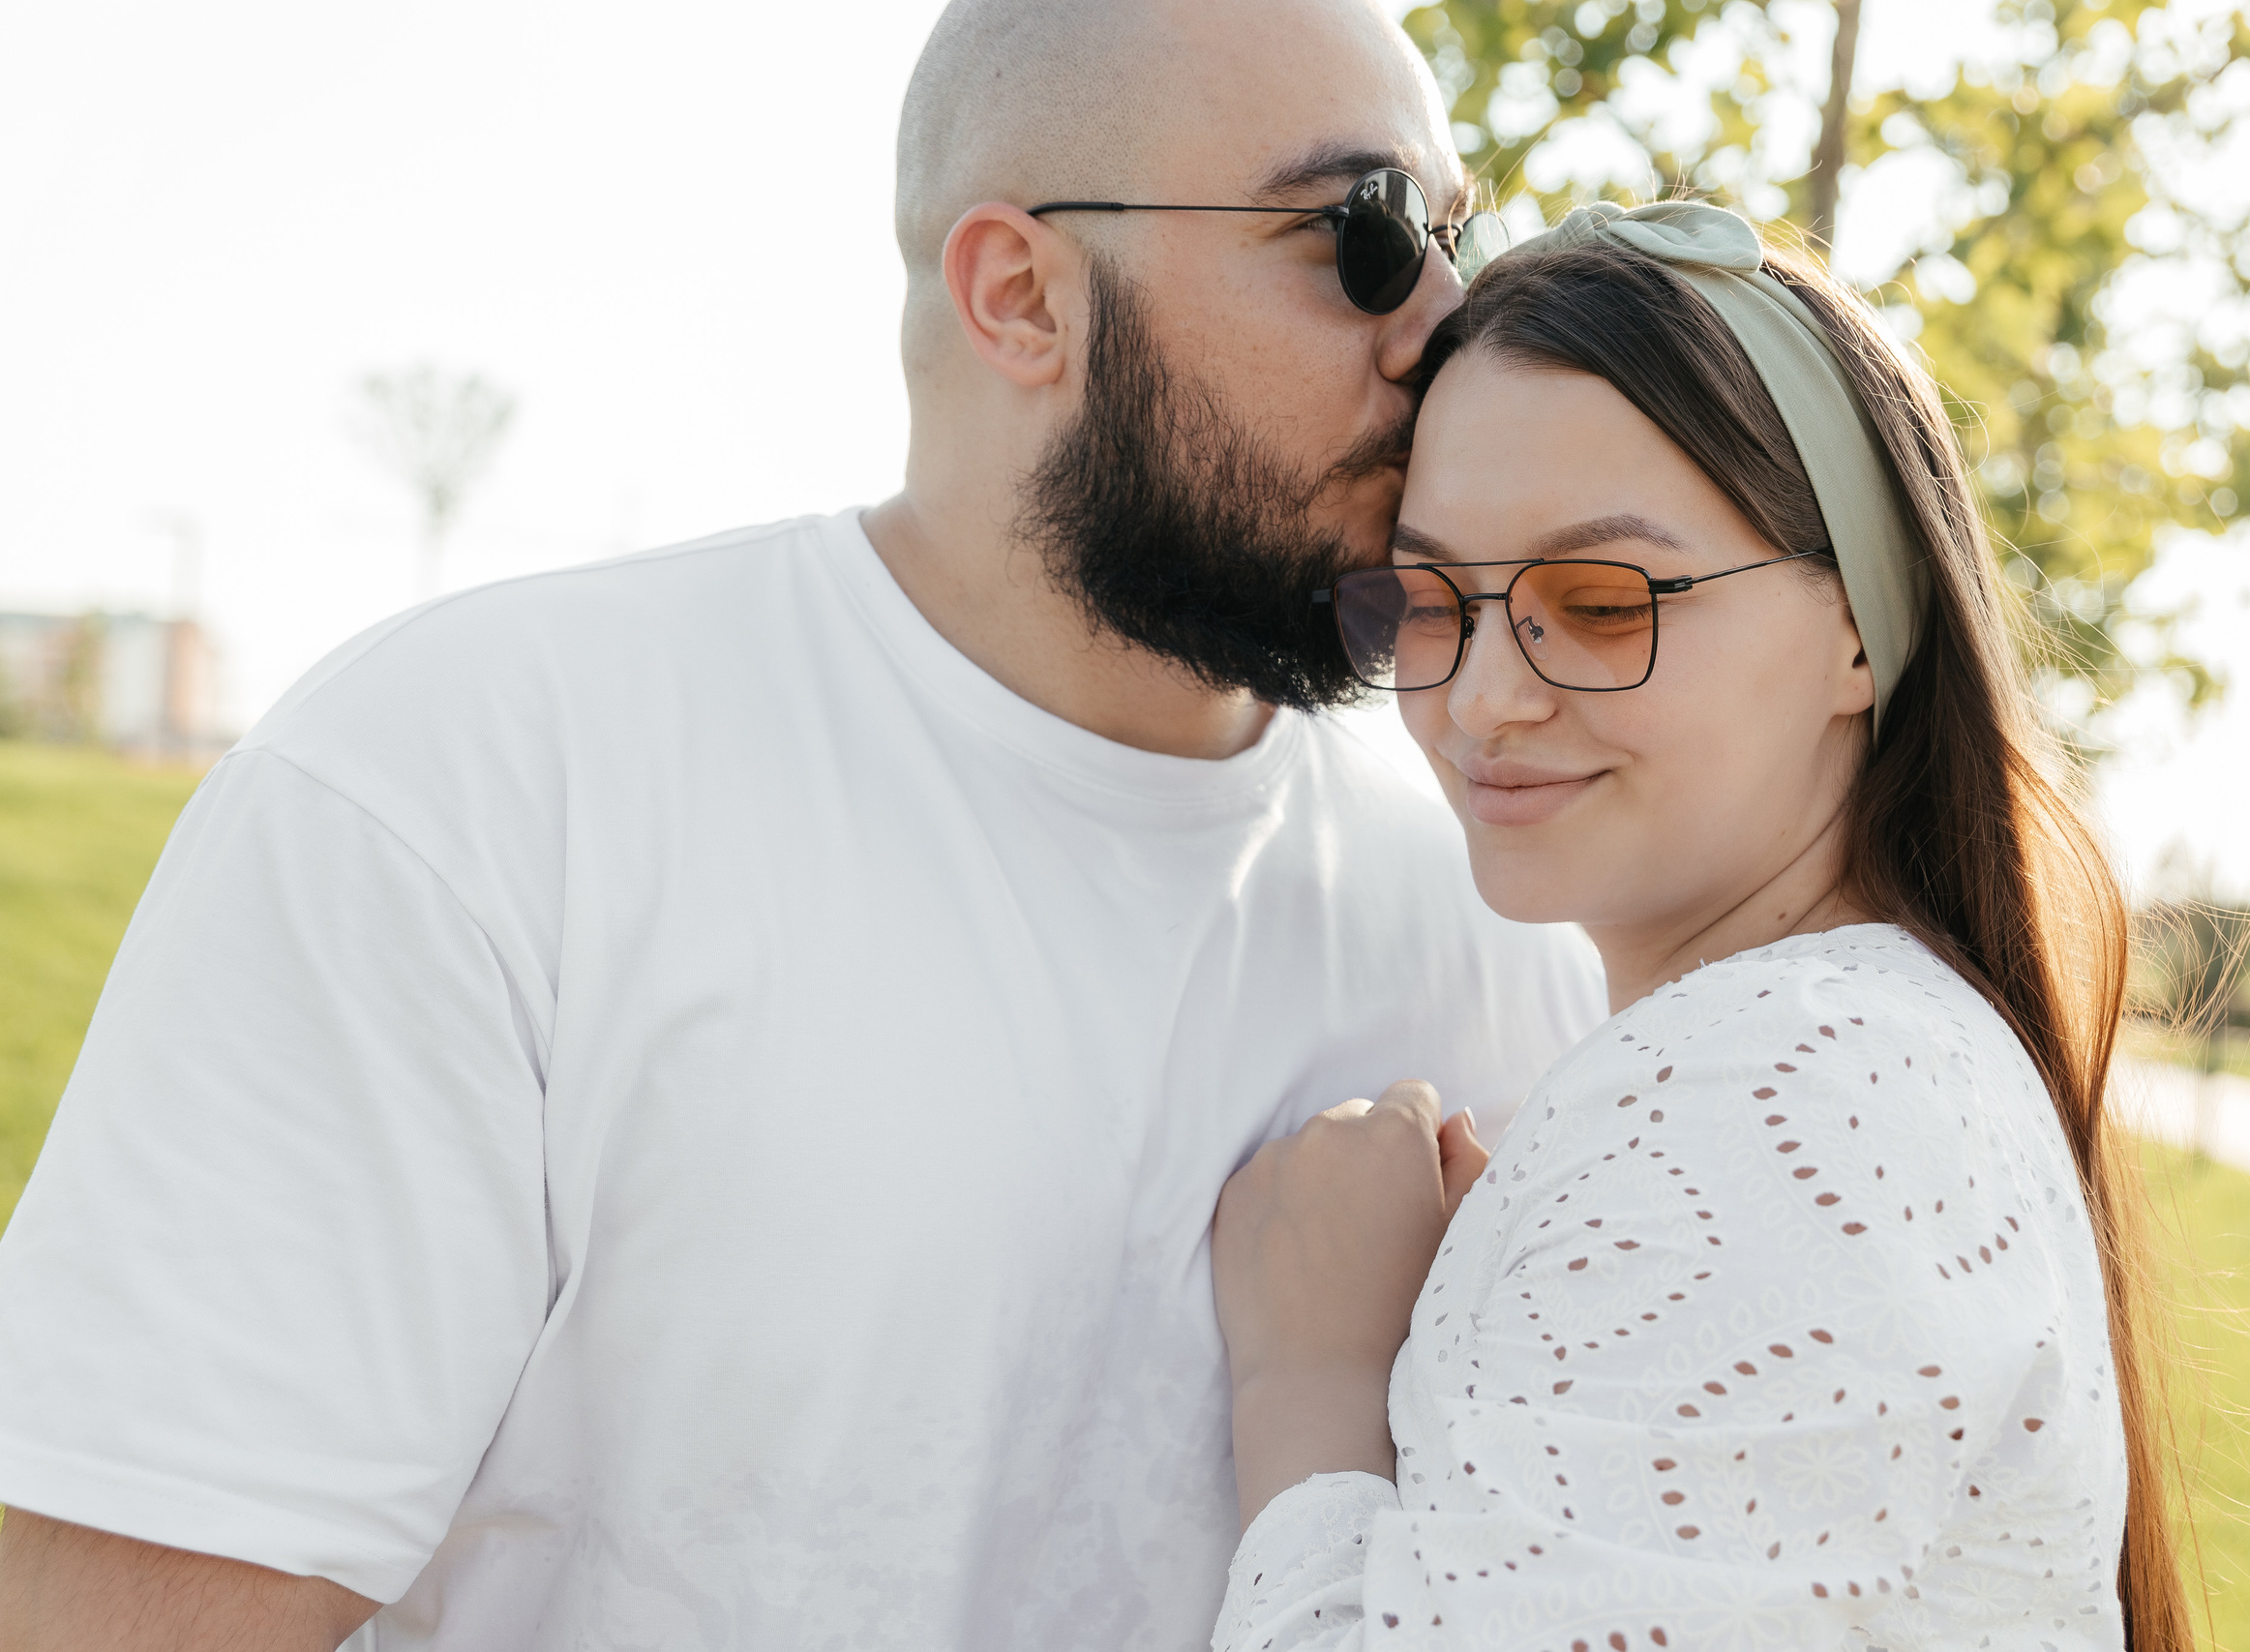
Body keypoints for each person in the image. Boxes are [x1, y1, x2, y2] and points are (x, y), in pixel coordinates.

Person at [0, 2, 1603, 1647]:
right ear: (1023, 296)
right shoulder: (473, 787)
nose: (1448, 324)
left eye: (1459, 244)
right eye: (1366, 233)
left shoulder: (1512, 911)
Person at [1207, 201, 2190, 1650]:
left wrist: (1312, 1389)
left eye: (1600, 603)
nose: (1482, 699)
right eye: (1430, 602)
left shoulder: (1783, 1082)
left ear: (1860, 623)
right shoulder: (1858, 1054)